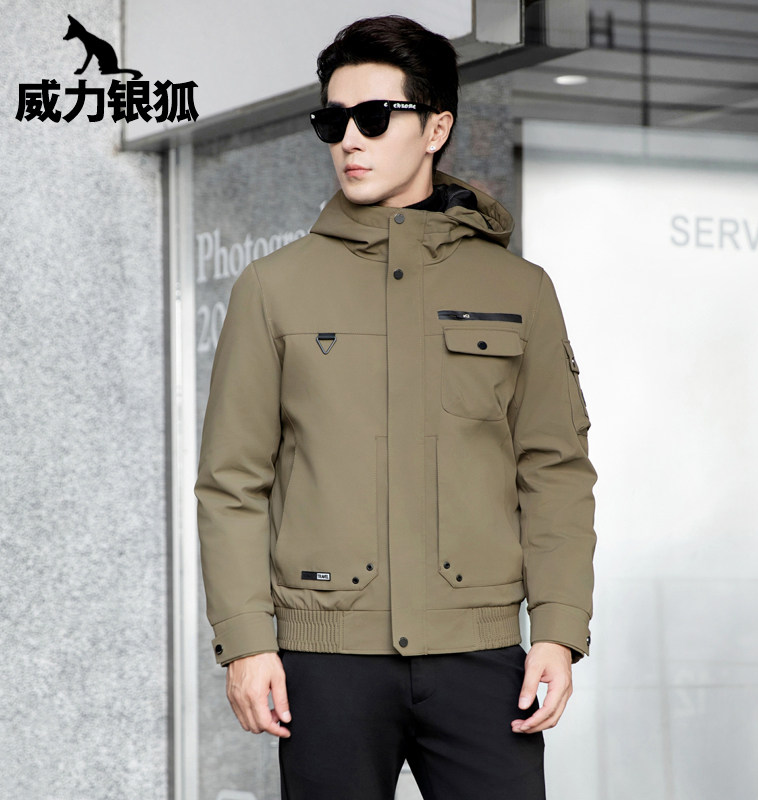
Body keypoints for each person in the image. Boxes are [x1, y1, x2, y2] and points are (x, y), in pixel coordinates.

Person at [195, 14, 597, 800]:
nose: (350, 139)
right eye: (333, 121)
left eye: (375, 117)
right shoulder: (273, 289)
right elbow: (232, 483)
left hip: (481, 660)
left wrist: (557, 628)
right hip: (326, 664)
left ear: (436, 127)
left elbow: (554, 471)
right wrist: (246, 641)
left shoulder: (519, 290)